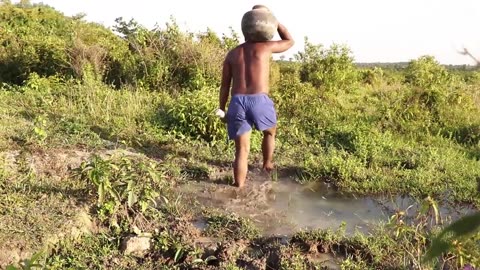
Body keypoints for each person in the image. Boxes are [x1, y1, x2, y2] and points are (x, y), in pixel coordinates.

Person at [217, 7, 294, 188]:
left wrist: (222, 109)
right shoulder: (266, 47)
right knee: (270, 132)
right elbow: (289, 41)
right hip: (259, 100)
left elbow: (224, 86)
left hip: (237, 101)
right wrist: (276, 22)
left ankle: (239, 186)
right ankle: (267, 163)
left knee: (241, 151)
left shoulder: (233, 54)